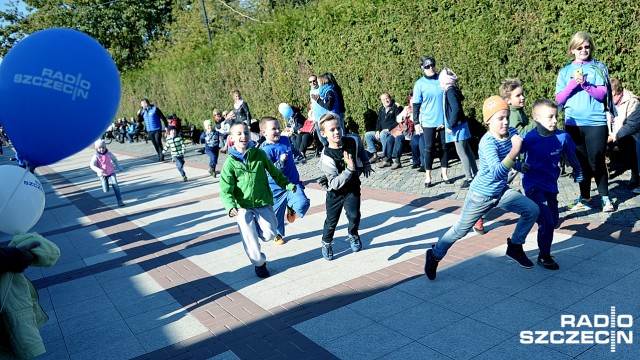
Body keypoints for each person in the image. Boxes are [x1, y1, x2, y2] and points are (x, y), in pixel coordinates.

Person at [424, 96, 540, 280]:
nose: (505, 122)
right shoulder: (487, 143)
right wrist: (515, 152)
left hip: (500, 192)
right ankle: (435, 254)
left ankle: (515, 246)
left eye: (507, 117)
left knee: (532, 210)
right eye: (499, 118)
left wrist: (518, 165)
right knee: (460, 230)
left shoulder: (510, 132)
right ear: (488, 121)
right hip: (481, 195)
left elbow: (508, 162)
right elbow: (496, 172)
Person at [219, 121, 296, 278]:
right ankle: (260, 264)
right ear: (231, 138)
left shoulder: (259, 154)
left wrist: (287, 185)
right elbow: (225, 188)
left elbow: (275, 172)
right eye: (239, 133)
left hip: (263, 202)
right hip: (242, 207)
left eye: (246, 133)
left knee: (269, 233)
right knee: (250, 240)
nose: (243, 136)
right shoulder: (230, 163)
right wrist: (229, 206)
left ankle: (259, 229)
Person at [519, 99, 584, 270]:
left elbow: (571, 156)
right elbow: (514, 153)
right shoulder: (529, 138)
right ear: (537, 119)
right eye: (550, 117)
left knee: (553, 221)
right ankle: (544, 256)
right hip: (533, 186)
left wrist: (578, 170)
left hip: (551, 186)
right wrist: (519, 166)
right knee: (547, 221)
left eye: (556, 116)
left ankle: (538, 221)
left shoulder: (563, 136)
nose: (555, 120)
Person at [555, 31, 614, 212]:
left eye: (587, 46)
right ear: (572, 49)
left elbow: (602, 94)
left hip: (595, 123)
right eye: (579, 47)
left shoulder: (598, 67)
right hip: (573, 124)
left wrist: (585, 85)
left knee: (597, 161)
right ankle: (586, 198)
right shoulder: (565, 71)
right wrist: (573, 83)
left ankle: (605, 197)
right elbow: (559, 99)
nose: (583, 50)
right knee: (580, 163)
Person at [317, 112, 373, 260]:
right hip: (336, 193)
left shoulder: (352, 140)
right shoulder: (327, 156)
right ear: (323, 134)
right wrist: (349, 169)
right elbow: (334, 184)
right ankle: (326, 242)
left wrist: (366, 163)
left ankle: (353, 234)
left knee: (354, 216)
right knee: (331, 221)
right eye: (332, 130)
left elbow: (360, 149)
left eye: (338, 128)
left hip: (353, 188)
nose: (337, 132)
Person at [259, 117, 311, 243]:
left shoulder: (285, 139)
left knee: (302, 204)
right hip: (276, 188)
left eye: (278, 128)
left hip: (292, 182)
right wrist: (281, 162)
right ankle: (277, 234)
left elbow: (292, 149)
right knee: (276, 216)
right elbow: (269, 170)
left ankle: (291, 207)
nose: (277, 131)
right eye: (273, 129)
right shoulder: (264, 151)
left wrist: (300, 156)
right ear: (264, 132)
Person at [412, 57, 449, 187]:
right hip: (428, 121)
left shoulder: (441, 79)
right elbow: (416, 105)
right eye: (427, 67)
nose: (431, 68)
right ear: (423, 69)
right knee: (429, 149)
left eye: (432, 65)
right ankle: (428, 176)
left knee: (444, 147)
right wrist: (416, 122)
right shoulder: (419, 84)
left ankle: (444, 174)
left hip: (443, 119)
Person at [440, 68, 477, 188]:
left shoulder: (450, 92)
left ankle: (469, 177)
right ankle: (475, 174)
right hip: (462, 125)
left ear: (445, 82)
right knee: (468, 150)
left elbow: (455, 108)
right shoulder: (454, 90)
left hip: (458, 126)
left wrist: (450, 125)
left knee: (461, 152)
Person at [609, 78, 639, 188]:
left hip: (626, 134)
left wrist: (614, 137)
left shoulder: (633, 101)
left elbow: (631, 125)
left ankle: (636, 175)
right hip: (611, 133)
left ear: (613, 93)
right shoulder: (608, 101)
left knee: (631, 143)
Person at [365, 92, 403, 165]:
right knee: (368, 135)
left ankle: (387, 157)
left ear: (390, 98)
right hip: (382, 131)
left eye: (387, 98)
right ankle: (374, 155)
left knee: (383, 134)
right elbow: (378, 122)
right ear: (381, 101)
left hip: (392, 131)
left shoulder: (396, 107)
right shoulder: (381, 109)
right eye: (384, 99)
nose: (386, 101)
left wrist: (388, 129)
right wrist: (377, 131)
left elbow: (398, 121)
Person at [90, 139, 125, 207]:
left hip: (111, 172)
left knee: (116, 186)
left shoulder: (109, 153)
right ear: (97, 148)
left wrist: (119, 166)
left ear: (105, 147)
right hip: (102, 174)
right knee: (106, 190)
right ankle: (106, 186)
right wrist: (99, 170)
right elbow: (92, 165)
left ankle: (120, 201)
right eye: (100, 148)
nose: (102, 149)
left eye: (103, 147)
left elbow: (115, 160)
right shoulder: (96, 155)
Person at [397, 93, 425, 172]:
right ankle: (416, 162)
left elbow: (421, 120)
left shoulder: (421, 108)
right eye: (410, 102)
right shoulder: (407, 108)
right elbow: (398, 118)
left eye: (414, 102)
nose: (412, 104)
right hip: (410, 132)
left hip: (422, 130)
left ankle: (423, 163)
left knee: (419, 141)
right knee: (413, 140)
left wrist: (412, 116)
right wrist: (404, 116)